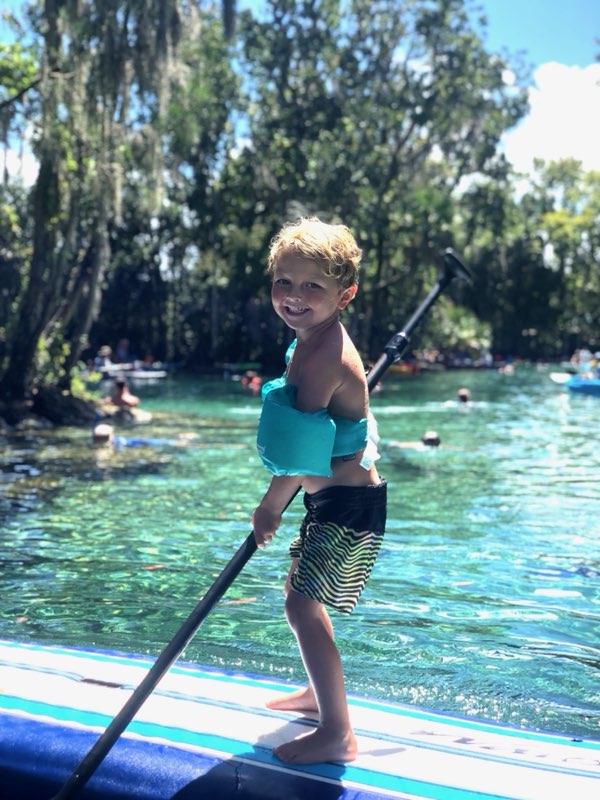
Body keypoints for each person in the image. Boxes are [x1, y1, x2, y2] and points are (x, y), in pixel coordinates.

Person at [251, 217, 387, 766]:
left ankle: (337, 732)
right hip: (331, 502)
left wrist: (269, 507)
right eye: (284, 281)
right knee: (299, 596)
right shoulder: (309, 341)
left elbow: (300, 452)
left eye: (313, 286)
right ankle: (317, 693)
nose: (294, 295)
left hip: (347, 507)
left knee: (302, 606)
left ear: (344, 295)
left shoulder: (325, 354)